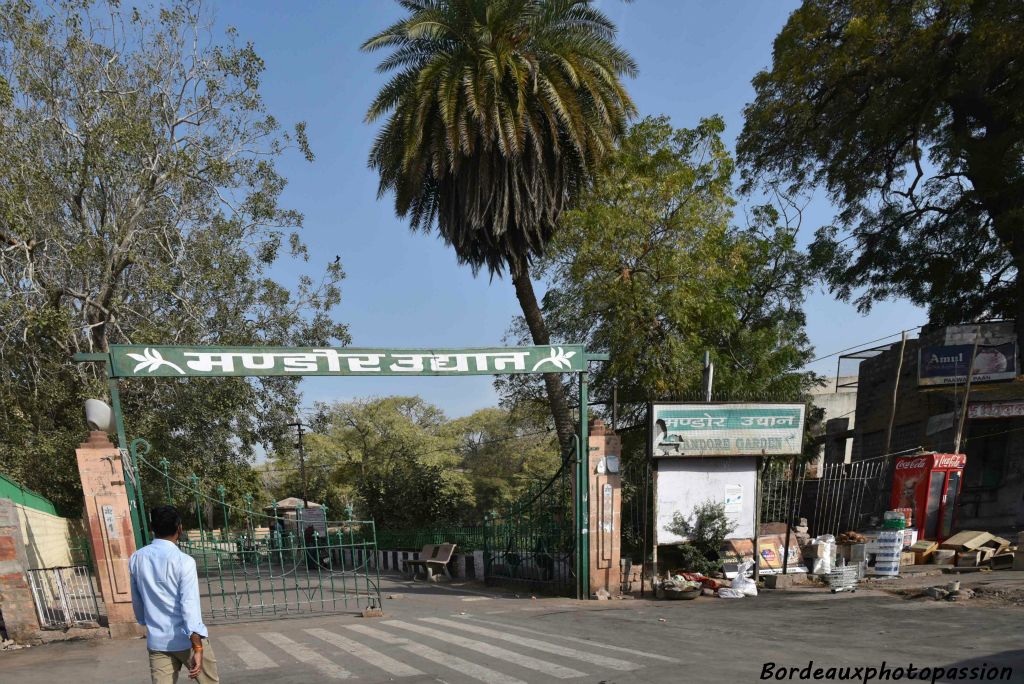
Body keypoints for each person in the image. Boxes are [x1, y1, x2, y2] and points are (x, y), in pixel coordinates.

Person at [130, 506, 220, 683]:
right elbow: (189, 605)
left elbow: (137, 599)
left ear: (152, 529)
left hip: (158, 642)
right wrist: (198, 647)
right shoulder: (184, 561)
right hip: (187, 641)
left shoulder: (136, 558)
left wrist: (144, 621)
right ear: (179, 528)